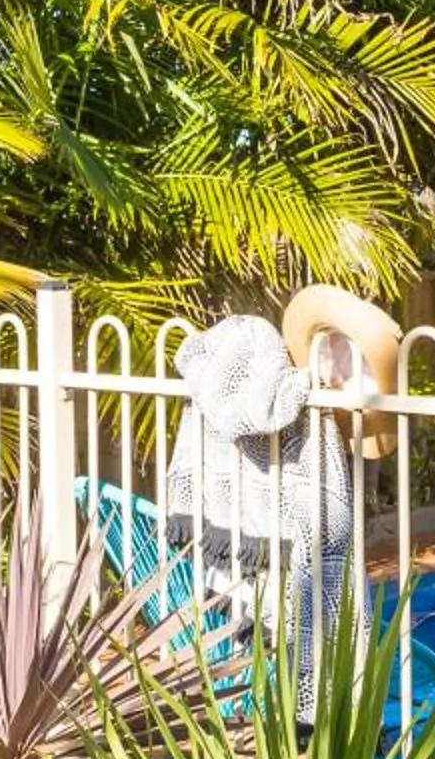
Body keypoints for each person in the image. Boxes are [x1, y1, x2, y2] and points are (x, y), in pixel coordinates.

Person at [158, 286, 402, 712]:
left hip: (241, 579)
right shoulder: (300, 406)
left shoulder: (225, 381)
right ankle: (315, 715)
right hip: (282, 567)